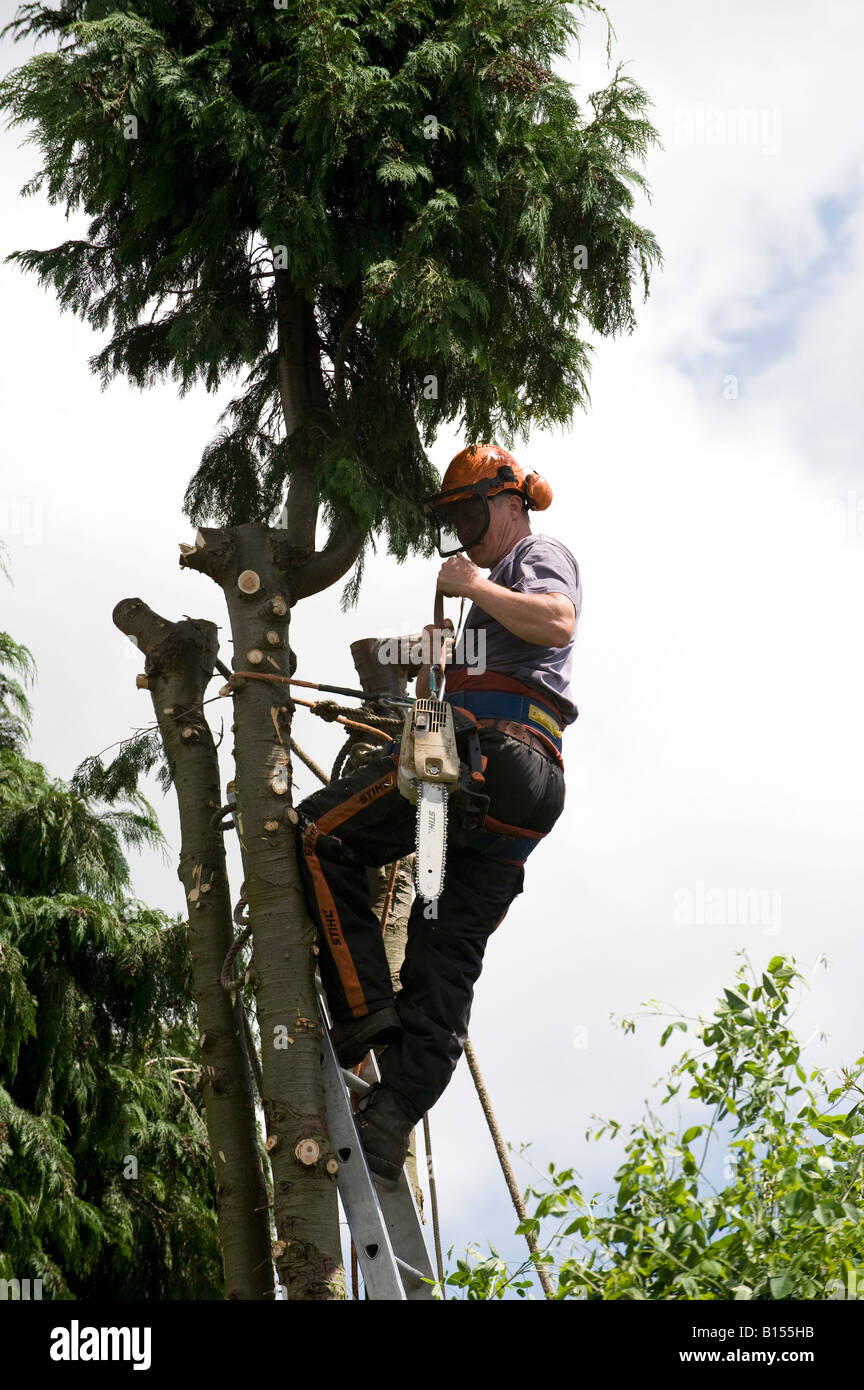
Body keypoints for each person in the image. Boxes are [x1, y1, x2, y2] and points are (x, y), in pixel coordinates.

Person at [295, 444, 581, 1184]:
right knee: (440, 959)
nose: (465, 533)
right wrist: (436, 663)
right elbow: (492, 663)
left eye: (471, 514)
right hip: (516, 801)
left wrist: (476, 585)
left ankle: (362, 1015)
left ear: (512, 504)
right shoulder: (485, 617)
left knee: (321, 834)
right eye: (454, 520)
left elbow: (556, 621)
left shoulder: (535, 554)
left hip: (498, 761)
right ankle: (391, 1119)